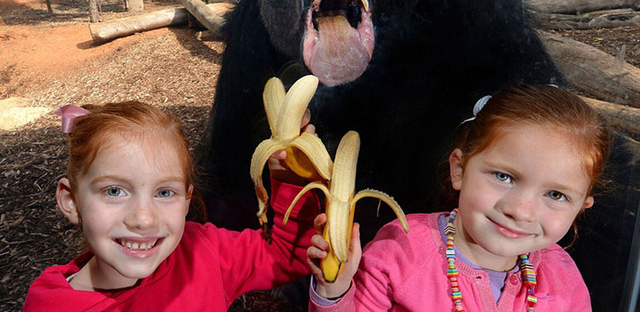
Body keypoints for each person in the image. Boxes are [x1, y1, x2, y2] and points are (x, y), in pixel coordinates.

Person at [307, 84, 610, 312]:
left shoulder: (564, 280)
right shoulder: (400, 251)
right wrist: (334, 290)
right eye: (503, 177)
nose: (521, 211)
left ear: (581, 207)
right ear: (460, 169)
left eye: (555, 194)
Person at [23, 101, 320, 311]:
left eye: (165, 193)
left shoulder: (204, 253)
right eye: (114, 191)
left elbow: (286, 253)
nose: (143, 219)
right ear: (71, 201)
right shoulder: (50, 306)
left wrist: (291, 179)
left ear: (187, 200)